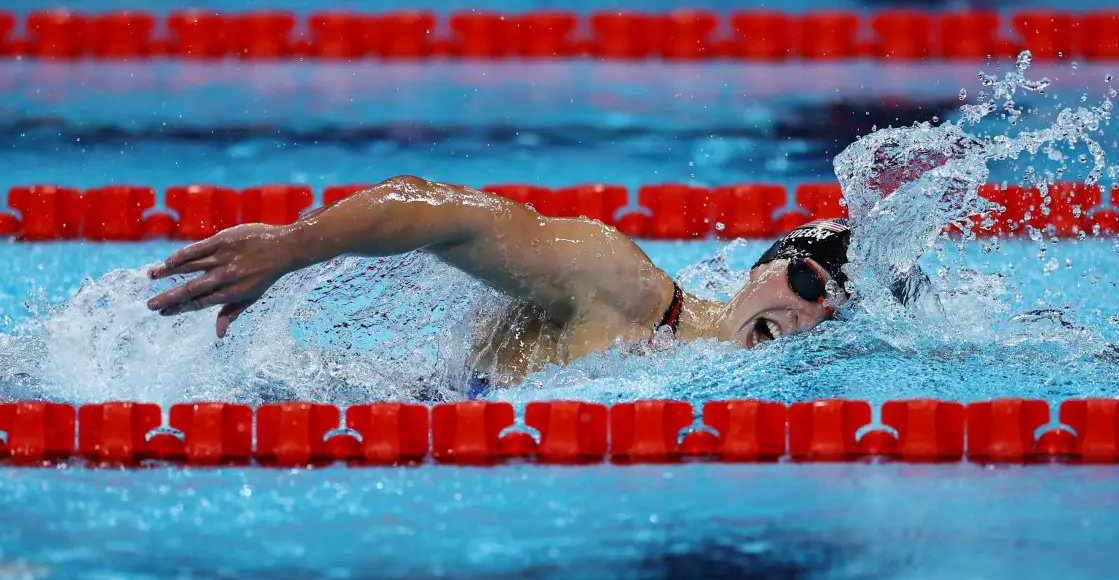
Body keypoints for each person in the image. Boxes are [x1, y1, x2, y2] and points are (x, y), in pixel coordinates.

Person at [146, 175, 852, 389]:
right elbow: (446, 213)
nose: (805, 314)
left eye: (831, 314)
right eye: (807, 283)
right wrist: (293, 247)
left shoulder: (745, 392)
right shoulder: (622, 287)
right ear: (765, 265)